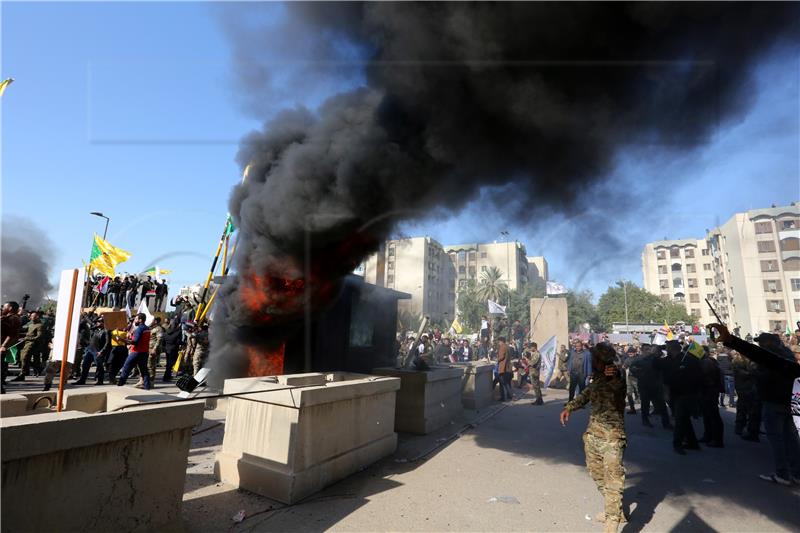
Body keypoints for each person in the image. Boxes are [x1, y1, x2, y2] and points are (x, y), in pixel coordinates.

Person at [710, 323, 800, 486]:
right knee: (790, 439)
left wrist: (732, 341)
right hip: (788, 402)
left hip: (774, 402)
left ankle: (783, 474)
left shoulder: (775, 359)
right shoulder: (786, 354)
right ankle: (796, 473)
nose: (759, 345)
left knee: (778, 440)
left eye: (761, 343)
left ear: (767, 344)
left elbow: (763, 365)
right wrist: (731, 340)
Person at [560, 343, 627, 533]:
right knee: (596, 473)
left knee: (613, 478)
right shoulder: (597, 379)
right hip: (593, 434)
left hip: (612, 437)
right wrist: (569, 407)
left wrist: (611, 373)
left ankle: (612, 521)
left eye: (595, 358)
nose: (593, 361)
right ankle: (615, 509)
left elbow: (615, 386)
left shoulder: (615, 375)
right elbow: (586, 394)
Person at [660, 340, 702, 455]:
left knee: (680, 418)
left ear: (672, 348)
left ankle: (677, 443)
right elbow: (659, 367)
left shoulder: (689, 360)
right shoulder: (670, 360)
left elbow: (697, 377)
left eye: (667, 347)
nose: (666, 349)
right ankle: (692, 442)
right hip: (676, 393)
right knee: (684, 418)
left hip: (686, 393)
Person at [630, 345, 672, 430]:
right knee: (645, 404)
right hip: (644, 385)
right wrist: (638, 373)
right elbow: (632, 369)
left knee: (662, 405)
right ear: (642, 350)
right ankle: (645, 420)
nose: (648, 351)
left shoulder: (656, 359)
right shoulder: (638, 360)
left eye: (649, 349)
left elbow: (663, 367)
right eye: (646, 349)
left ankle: (666, 423)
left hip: (657, 385)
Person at [698, 345, 724, 447]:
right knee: (707, 416)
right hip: (707, 391)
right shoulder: (707, 361)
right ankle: (708, 435)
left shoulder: (707, 362)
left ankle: (717, 439)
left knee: (713, 416)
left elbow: (704, 375)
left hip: (710, 391)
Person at [117, 313, 152, 389]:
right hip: (144, 353)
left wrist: (122, 340)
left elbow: (135, 342)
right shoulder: (147, 329)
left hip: (136, 352)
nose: (134, 321)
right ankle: (147, 387)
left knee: (126, 368)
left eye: (136, 319)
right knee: (144, 371)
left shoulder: (139, 329)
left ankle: (120, 385)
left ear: (140, 320)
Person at [733, 350, 761, 441]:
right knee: (743, 409)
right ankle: (740, 427)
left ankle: (751, 430)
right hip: (743, 389)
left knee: (751, 411)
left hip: (749, 390)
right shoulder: (738, 362)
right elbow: (745, 374)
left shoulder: (749, 363)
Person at [75, 316, 110, 385]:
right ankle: (82, 380)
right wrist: (86, 315)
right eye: (98, 321)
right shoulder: (95, 329)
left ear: (103, 323)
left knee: (99, 366)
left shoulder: (106, 331)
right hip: (90, 350)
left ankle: (100, 380)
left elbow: (107, 343)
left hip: (97, 351)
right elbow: (91, 321)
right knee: (85, 365)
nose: (97, 323)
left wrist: (102, 351)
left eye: (100, 321)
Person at [13, 310, 47, 380]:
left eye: (32, 316)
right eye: (31, 316)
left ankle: (23, 374)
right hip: (26, 343)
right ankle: (35, 368)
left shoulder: (40, 325)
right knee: (23, 358)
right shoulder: (31, 324)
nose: (30, 317)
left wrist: (26, 338)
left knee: (24, 358)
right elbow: (26, 331)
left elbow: (39, 336)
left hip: (32, 344)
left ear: (37, 317)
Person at [1, 301, 22, 390]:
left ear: (10, 308)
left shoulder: (13, 318)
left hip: (2, 346)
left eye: (4, 307)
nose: (2, 309)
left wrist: (4, 346)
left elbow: (12, 334)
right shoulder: (8, 317)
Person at [496, 336, 513, 401]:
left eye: (498, 341)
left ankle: (503, 397)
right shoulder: (507, 346)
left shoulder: (502, 347)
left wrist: (496, 359)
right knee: (506, 383)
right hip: (507, 367)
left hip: (503, 367)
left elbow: (501, 357)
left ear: (501, 341)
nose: (498, 343)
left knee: (502, 383)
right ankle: (509, 396)